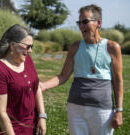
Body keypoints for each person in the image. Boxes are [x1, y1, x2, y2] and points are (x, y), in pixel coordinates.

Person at [40, 4, 123, 135]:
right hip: (75, 108)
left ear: (98, 23)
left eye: (85, 21)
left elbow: (118, 81)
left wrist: (119, 110)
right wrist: (43, 86)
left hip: (102, 110)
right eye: (79, 22)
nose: (81, 26)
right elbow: (63, 76)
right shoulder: (75, 47)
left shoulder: (112, 47)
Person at [0, 24, 46, 135]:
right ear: (12, 45)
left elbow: (36, 87)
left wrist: (42, 116)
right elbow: (1, 113)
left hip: (32, 127)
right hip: (9, 130)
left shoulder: (27, 61)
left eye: (31, 46)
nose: (30, 51)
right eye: (28, 46)